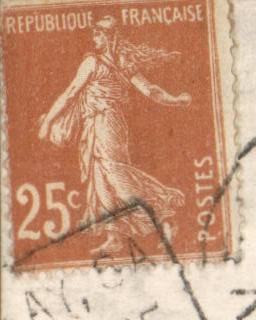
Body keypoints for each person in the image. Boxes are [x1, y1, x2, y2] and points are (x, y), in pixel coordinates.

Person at [37, 16, 191, 254]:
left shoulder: (95, 62)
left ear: (109, 37)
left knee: (116, 174)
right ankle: (115, 235)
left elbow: (70, 93)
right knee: (100, 179)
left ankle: (164, 216)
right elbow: (150, 91)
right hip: (98, 125)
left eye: (98, 34)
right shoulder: (121, 63)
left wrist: (48, 121)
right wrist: (176, 100)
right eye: (94, 34)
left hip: (105, 122)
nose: (94, 39)